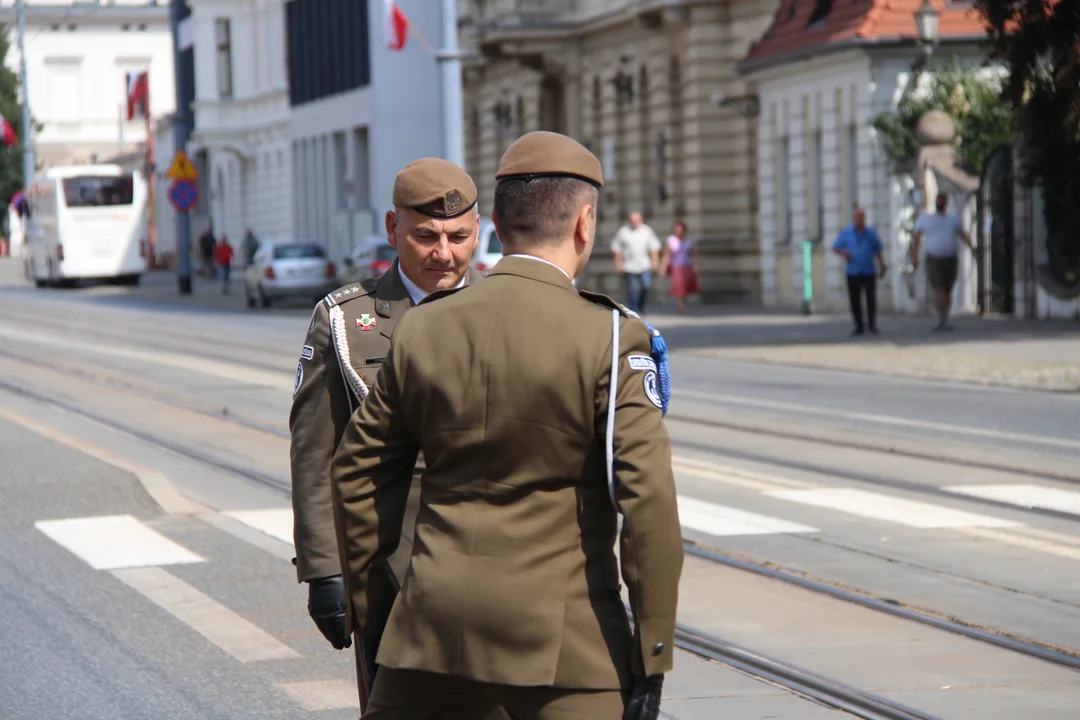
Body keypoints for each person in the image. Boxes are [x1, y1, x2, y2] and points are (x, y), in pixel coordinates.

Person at [331, 130, 683, 720]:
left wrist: (377, 618)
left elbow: (356, 475)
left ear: (494, 221)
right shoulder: (613, 336)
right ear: (585, 224)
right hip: (568, 645)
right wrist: (652, 653)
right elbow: (647, 504)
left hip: (430, 634)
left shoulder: (423, 328)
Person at [288, 157, 489, 714]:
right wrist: (323, 569)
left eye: (459, 236)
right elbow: (314, 453)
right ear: (393, 229)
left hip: (495, 572)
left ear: (480, 229)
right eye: (426, 236)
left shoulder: (506, 310)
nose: (444, 253)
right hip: (391, 574)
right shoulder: (347, 321)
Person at [911, 192, 975, 331]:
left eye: (943, 201)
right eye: (939, 200)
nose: (940, 203)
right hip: (934, 258)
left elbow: (963, 234)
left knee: (948, 289)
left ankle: (945, 317)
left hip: (950, 258)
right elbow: (916, 237)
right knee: (938, 288)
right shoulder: (926, 218)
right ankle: (941, 317)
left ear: (946, 203)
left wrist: (972, 248)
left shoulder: (953, 219)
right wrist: (914, 257)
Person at [832, 208, 887, 336]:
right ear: (854, 219)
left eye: (862, 218)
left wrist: (882, 265)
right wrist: (844, 253)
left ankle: (872, 324)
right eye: (857, 218)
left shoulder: (871, 233)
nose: (859, 221)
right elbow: (836, 247)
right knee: (855, 299)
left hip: (868, 270)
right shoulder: (847, 232)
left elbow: (878, 249)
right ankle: (858, 325)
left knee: (870, 298)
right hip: (853, 271)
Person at [611, 210, 661, 315]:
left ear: (640, 220)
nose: (635, 222)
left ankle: (641, 306)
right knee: (632, 289)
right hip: (629, 266)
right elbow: (617, 249)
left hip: (644, 265)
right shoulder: (623, 232)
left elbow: (654, 247)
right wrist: (618, 263)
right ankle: (633, 310)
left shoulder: (647, 231)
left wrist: (654, 260)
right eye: (633, 220)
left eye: (637, 220)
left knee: (646, 286)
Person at [658, 219, 699, 315]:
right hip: (676, 267)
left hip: (687, 266)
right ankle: (680, 305)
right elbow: (667, 254)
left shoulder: (688, 240)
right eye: (676, 229)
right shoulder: (671, 240)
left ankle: (683, 301)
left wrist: (696, 266)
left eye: (679, 229)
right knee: (678, 287)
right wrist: (663, 267)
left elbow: (693, 254)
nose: (678, 231)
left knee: (686, 287)